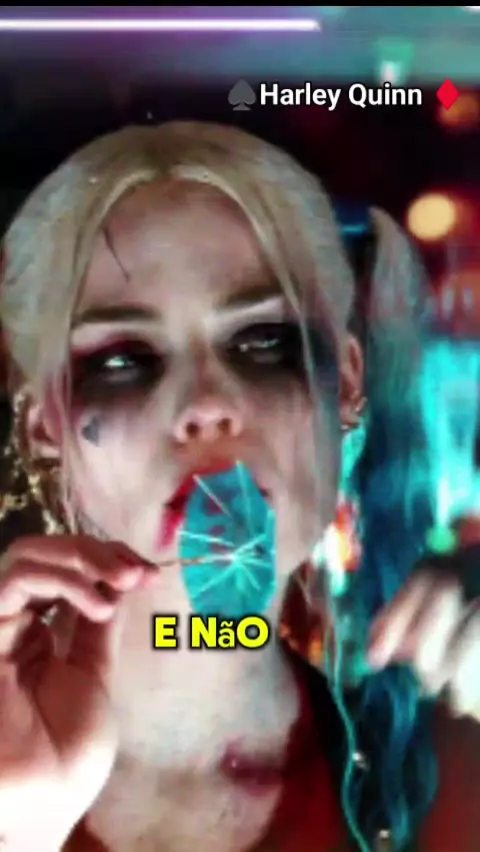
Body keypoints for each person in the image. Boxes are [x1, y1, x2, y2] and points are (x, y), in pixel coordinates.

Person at [0, 122, 480, 852]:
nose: (205, 406)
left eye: (262, 342)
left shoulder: (442, 772)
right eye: (125, 358)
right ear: (45, 423)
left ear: (347, 382)